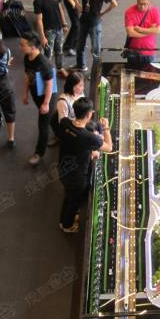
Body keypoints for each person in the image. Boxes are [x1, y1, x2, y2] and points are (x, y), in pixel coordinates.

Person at [58, 99, 113, 232]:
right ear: (89, 114)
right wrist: (106, 127)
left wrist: (90, 151)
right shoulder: (88, 137)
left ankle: (62, 220)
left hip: (63, 168)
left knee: (69, 195)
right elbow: (109, 147)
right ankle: (67, 225)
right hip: (77, 176)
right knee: (74, 201)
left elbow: (75, 143)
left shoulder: (64, 123)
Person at [21, 31, 58, 166]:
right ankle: (60, 135)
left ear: (33, 47)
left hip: (47, 97)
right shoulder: (27, 58)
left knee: (43, 125)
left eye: (23, 45)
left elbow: (49, 84)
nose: (20, 47)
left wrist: (46, 103)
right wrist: (25, 93)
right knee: (51, 117)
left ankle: (39, 153)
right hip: (36, 94)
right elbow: (27, 75)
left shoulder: (44, 63)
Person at [73, 0, 117, 73]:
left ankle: (96, 72)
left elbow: (114, 3)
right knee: (79, 45)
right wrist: (77, 4)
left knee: (95, 50)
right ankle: (80, 65)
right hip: (83, 21)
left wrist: (103, 12)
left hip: (94, 23)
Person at [33, 0, 68, 76]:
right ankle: (46, 73)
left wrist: (64, 24)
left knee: (59, 50)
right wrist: (42, 37)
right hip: (48, 31)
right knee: (48, 53)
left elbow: (60, 9)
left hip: (59, 28)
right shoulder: (38, 0)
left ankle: (59, 68)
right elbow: (39, 20)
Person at [124, 0, 160, 71]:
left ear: (149, 1)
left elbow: (157, 30)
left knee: (149, 77)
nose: (142, 7)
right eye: (140, 4)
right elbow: (130, 33)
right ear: (136, 1)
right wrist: (150, 31)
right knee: (132, 76)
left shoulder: (155, 11)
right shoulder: (129, 12)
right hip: (133, 53)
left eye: (145, 4)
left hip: (149, 53)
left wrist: (140, 29)